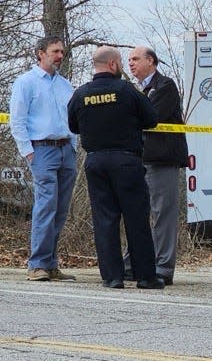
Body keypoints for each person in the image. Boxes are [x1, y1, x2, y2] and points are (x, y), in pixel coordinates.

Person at [67, 45, 163, 290]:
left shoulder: (81, 94)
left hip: (96, 162)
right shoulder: (127, 91)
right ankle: (145, 277)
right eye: (121, 62)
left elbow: (73, 126)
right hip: (126, 161)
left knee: (105, 220)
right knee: (136, 219)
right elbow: (151, 119)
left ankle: (112, 277)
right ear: (113, 64)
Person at [9, 36, 79, 282]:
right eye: (55, 51)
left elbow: (72, 120)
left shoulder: (65, 85)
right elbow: (17, 121)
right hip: (41, 150)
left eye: (62, 51)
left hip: (65, 151)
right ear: (41, 53)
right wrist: (28, 152)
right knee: (46, 205)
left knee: (60, 209)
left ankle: (50, 264)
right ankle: (36, 264)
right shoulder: (25, 83)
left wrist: (73, 145)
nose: (60, 55)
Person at [122, 46, 189, 286]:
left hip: (161, 159)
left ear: (150, 61)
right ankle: (132, 264)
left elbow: (151, 117)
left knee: (163, 214)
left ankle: (163, 267)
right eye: (128, 60)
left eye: (135, 59)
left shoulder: (165, 86)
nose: (130, 64)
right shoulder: (136, 89)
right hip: (139, 159)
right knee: (136, 213)